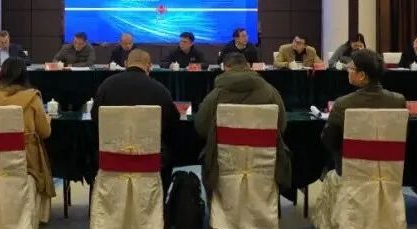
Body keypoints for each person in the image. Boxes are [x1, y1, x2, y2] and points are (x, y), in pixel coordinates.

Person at [194, 52, 290, 194]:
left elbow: (201, 127)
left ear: (226, 67)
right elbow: (281, 126)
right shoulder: (270, 92)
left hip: (224, 165)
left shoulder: (215, 95)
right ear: (248, 66)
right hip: (263, 165)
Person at [92, 49, 179, 191]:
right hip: (149, 158)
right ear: (149, 66)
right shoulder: (160, 90)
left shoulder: (107, 86)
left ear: (126, 63)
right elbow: (172, 121)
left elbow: (95, 117)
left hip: (112, 156)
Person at [0, 57, 55, 221]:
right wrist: (47, 121)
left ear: (2, 74)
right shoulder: (32, 98)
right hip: (25, 161)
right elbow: (45, 133)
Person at [321, 49, 406, 174]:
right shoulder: (398, 101)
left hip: (351, 174)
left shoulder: (343, 104)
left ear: (361, 76)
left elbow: (329, 140)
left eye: (350, 68)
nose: (347, 71)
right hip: (387, 173)